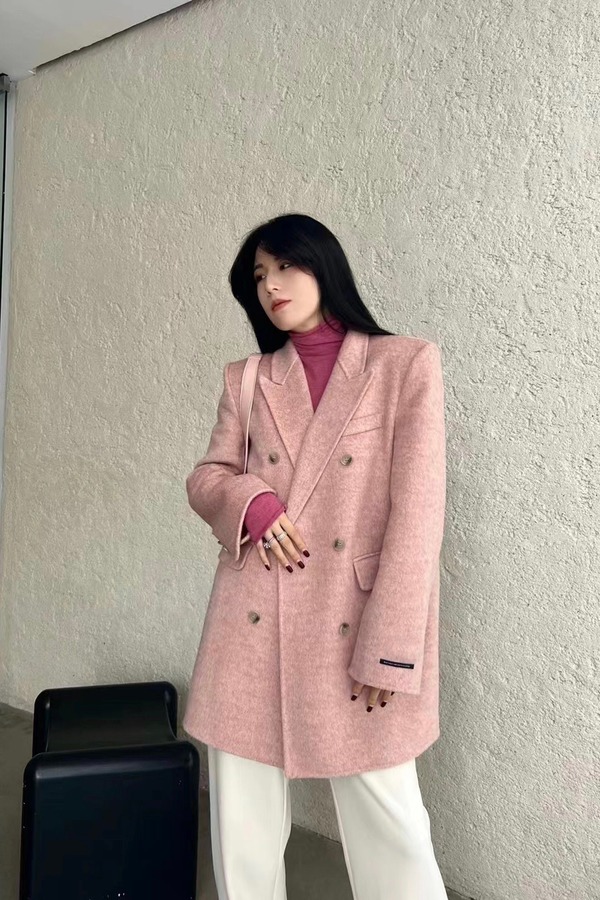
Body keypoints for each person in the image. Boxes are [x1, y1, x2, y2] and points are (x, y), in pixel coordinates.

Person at [182, 213, 448, 899]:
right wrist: (251, 501)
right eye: (258, 276)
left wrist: (392, 647)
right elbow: (207, 476)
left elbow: (418, 516)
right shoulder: (248, 378)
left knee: (393, 832)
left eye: (284, 266)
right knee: (243, 835)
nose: (270, 285)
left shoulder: (403, 365)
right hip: (252, 626)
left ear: (323, 266)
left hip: (357, 624)